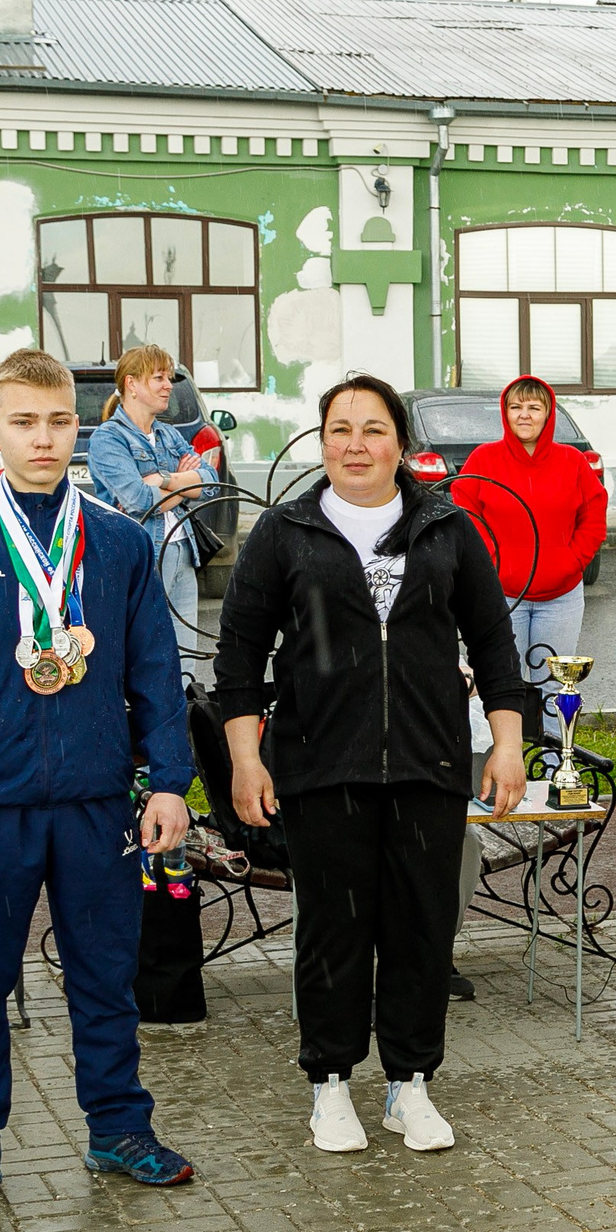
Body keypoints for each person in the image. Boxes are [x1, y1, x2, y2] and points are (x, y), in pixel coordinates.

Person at [0, 346, 199, 1215]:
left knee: (106, 977)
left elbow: (152, 669)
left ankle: (118, 1129)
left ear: (81, 425)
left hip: (96, 801)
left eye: (58, 421)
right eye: (23, 422)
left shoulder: (114, 542)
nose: (42, 438)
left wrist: (170, 783)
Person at [215, 374, 530, 1154]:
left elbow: (493, 642)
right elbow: (240, 655)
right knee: (335, 931)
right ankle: (330, 1085)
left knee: (423, 929)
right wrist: (246, 759)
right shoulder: (286, 531)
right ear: (321, 441)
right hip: (323, 765)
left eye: (374, 429)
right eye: (340, 429)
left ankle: (409, 1084)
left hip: (427, 763)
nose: (356, 444)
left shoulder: (447, 526)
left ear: (401, 443)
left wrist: (511, 741)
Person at [451, 374, 609, 726]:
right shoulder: (483, 460)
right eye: (515, 407)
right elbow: (466, 515)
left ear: (548, 414)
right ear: (504, 413)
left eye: (534, 407)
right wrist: (493, 564)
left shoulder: (573, 461)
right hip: (502, 597)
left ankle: (555, 761)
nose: (524, 415)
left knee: (555, 686)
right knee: (500, 680)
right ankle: (502, 762)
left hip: (561, 598)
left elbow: (594, 517)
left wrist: (573, 561)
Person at [87, 345, 219, 659]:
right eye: (158, 377)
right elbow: (138, 500)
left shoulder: (167, 434)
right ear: (131, 384)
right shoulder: (109, 439)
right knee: (146, 652)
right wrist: (185, 482)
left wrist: (163, 479)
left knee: (185, 653)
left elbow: (212, 482)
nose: (168, 385)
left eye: (168, 377)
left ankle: (187, 707)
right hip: (143, 552)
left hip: (184, 548)